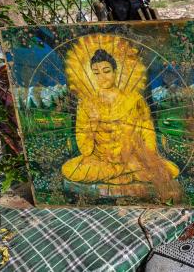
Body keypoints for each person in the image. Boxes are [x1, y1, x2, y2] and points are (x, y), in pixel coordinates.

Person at [62, 46, 180, 200]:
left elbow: (147, 129)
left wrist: (148, 155)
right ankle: (123, 172)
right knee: (71, 169)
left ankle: (120, 171)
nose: (102, 77)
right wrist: (93, 124)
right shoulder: (86, 103)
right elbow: (84, 141)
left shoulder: (134, 99)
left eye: (106, 71)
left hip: (133, 156)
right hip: (101, 160)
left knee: (168, 170)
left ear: (115, 72)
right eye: (96, 73)